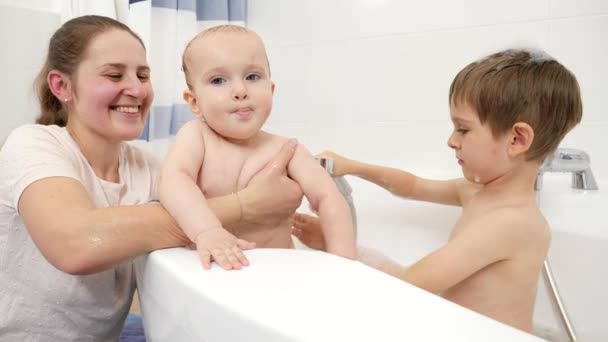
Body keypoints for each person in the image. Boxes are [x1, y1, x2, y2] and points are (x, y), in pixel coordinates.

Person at [0, 15, 303, 341]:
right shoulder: (32, 144)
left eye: (143, 75)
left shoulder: (149, 169)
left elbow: (217, 227)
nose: (136, 89)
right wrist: (246, 205)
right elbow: (75, 245)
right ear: (62, 86)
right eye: (115, 74)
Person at [292, 48, 583, 332]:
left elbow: (409, 286)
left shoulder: (509, 223)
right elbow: (413, 186)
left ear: (517, 139)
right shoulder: (477, 193)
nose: (451, 140)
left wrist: (342, 246)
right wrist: (352, 166)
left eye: (463, 129)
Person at [159, 25, 356, 271]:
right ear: (195, 102)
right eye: (218, 80)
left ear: (271, 90)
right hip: (212, 272)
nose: (241, 91)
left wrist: (345, 264)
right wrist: (207, 231)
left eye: (252, 77)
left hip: (277, 273)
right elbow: (173, 181)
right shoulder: (196, 137)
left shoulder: (288, 150)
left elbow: (329, 198)